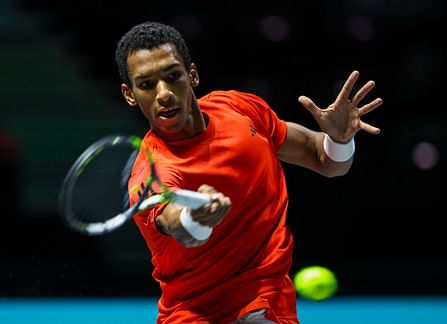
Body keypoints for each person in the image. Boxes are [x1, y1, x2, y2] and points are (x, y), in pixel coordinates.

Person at [115, 21, 382, 324]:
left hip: (269, 305)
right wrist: (196, 219)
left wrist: (339, 140)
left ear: (192, 75)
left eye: (173, 76)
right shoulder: (151, 173)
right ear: (130, 94)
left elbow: (327, 162)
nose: (163, 94)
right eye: (147, 84)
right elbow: (177, 226)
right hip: (198, 316)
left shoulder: (239, 108)